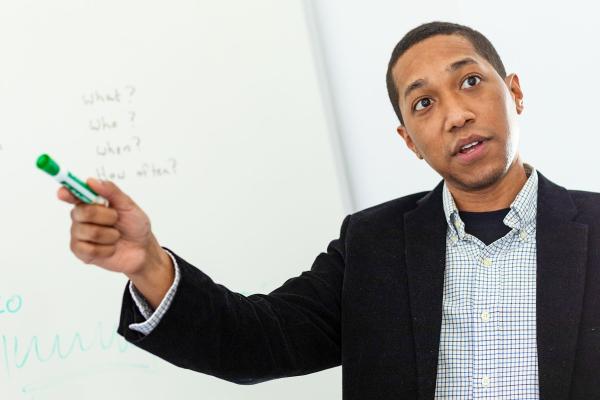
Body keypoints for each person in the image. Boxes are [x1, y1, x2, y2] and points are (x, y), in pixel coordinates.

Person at [58, 21, 600, 400]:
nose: (455, 114)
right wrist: (148, 263)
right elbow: (256, 342)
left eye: (471, 81)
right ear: (408, 139)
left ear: (515, 93)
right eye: (423, 103)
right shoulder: (373, 247)